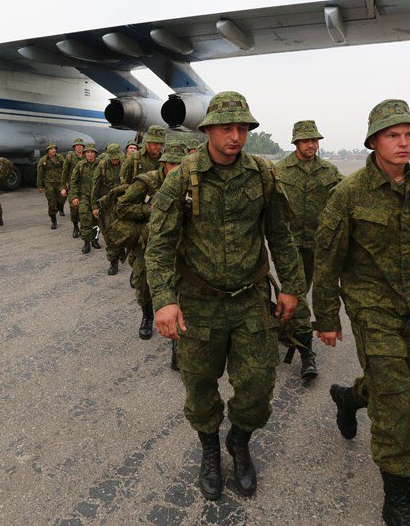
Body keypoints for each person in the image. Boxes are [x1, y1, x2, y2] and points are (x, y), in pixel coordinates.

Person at [313, 99, 410, 526]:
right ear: (373, 142)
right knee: (398, 404)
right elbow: (327, 263)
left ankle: (349, 398)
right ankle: (397, 499)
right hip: (372, 312)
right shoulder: (348, 194)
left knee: (403, 382)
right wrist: (326, 318)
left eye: (409, 135)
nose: (404, 143)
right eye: (393, 135)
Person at [146, 91, 305, 501]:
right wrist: (164, 299)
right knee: (200, 385)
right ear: (208, 130)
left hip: (250, 299)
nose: (235, 136)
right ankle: (210, 450)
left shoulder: (263, 175)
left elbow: (280, 235)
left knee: (256, 386)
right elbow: (159, 244)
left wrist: (291, 287)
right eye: (226, 128)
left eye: (242, 128)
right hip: (198, 304)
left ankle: (240, 441)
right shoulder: (182, 177)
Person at [275, 120, 342, 381]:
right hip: (288, 245)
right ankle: (306, 351)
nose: (311, 145)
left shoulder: (329, 171)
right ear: (296, 143)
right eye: (306, 141)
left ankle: (285, 327)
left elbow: (346, 198)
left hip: (316, 244)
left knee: (301, 290)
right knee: (298, 292)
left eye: (315, 140)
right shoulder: (280, 171)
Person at [115, 141, 186, 343]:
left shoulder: (190, 183)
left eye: (180, 164)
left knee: (181, 289)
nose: (177, 169)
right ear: (164, 164)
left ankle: (178, 343)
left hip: (178, 245)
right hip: (147, 245)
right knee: (144, 286)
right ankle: (147, 316)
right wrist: (149, 210)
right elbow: (122, 208)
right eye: (172, 164)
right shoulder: (146, 182)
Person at [91, 143, 124, 275]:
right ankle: (113, 262)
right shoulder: (102, 166)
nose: (115, 160)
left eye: (117, 158)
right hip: (107, 205)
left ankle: (121, 248)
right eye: (113, 158)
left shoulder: (125, 164)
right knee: (109, 233)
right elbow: (95, 186)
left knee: (122, 231)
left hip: (122, 204)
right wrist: (94, 206)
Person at [68, 143, 99, 254]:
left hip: (97, 198)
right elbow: (74, 182)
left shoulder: (101, 165)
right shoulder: (80, 165)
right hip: (84, 196)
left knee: (97, 221)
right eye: (87, 152)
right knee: (85, 219)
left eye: (92, 152)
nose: (89, 154)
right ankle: (86, 243)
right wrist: (74, 196)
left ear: (95, 153)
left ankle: (95, 239)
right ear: (85, 153)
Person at [60, 138, 87, 238]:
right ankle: (76, 227)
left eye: (81, 145)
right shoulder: (70, 157)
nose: (79, 147)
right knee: (74, 209)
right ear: (74, 147)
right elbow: (64, 172)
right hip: (73, 186)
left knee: (85, 210)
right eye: (77, 145)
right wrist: (63, 187)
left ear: (83, 147)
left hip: (85, 186)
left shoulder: (86, 156)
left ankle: (84, 229)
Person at [36, 143, 64, 229]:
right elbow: (40, 174)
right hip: (49, 184)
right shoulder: (43, 160)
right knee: (52, 204)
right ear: (48, 150)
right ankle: (54, 221)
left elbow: (65, 170)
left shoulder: (60, 158)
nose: (54, 150)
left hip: (59, 183)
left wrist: (66, 182)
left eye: (54, 149)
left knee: (61, 201)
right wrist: (40, 186)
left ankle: (60, 208)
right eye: (51, 149)